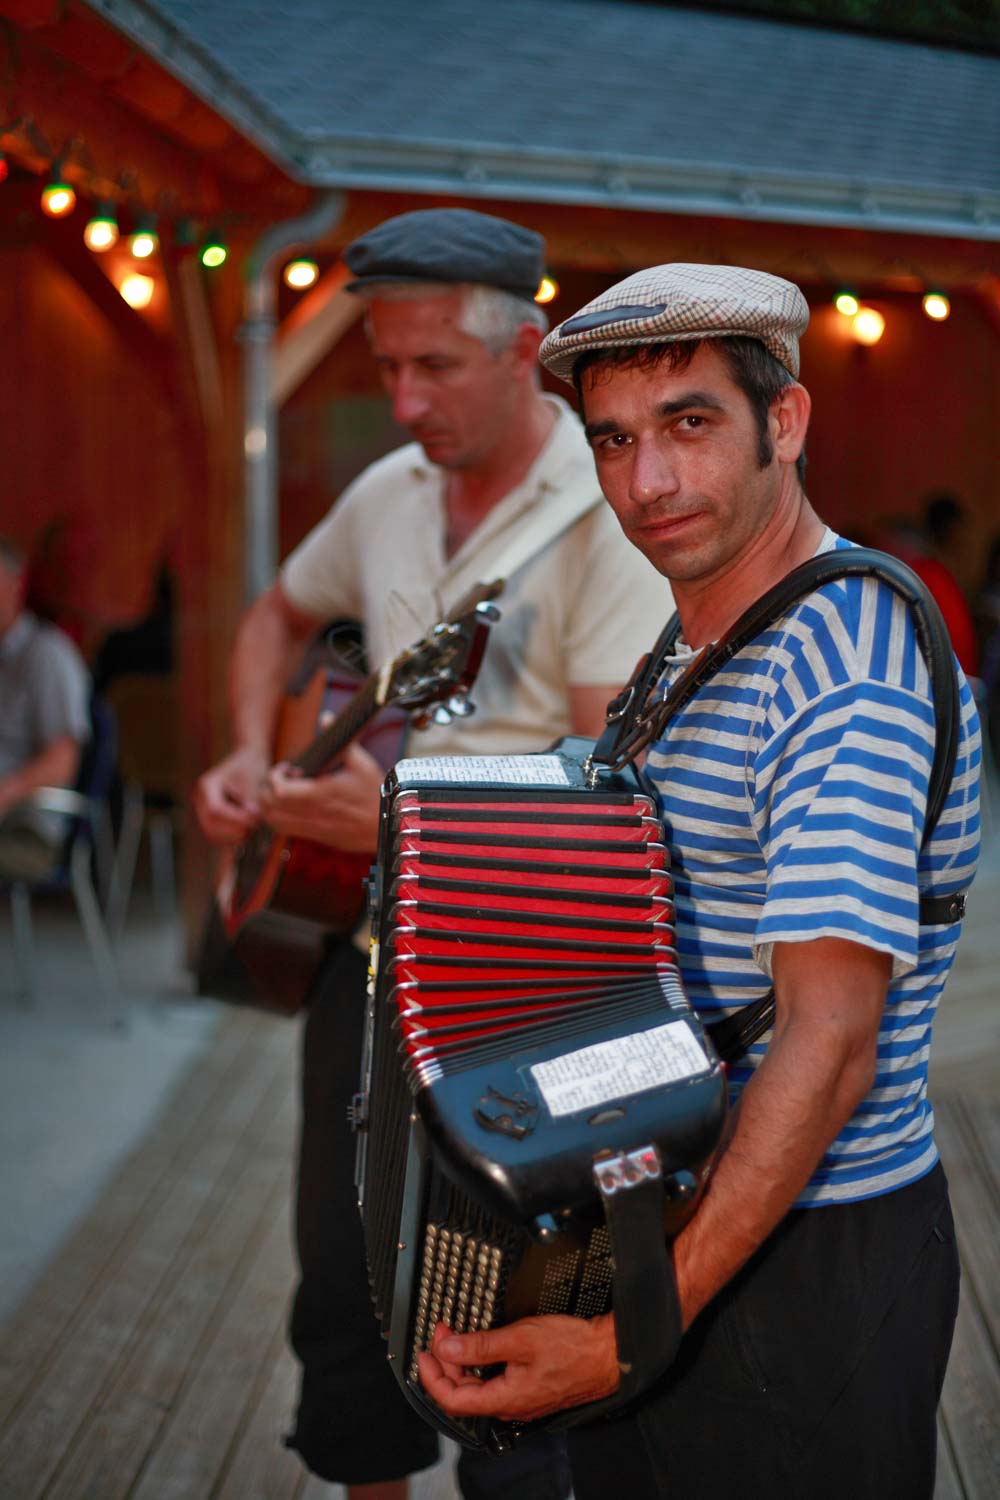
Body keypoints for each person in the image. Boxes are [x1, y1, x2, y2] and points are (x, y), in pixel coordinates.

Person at [419, 264, 981, 1500]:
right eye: (614, 441)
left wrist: (631, 1332)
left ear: (783, 422)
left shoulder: (842, 667)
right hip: (688, 1216)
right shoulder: (706, 638)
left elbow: (830, 1042)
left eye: (689, 424)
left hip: (802, 1249)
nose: (648, 483)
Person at [195, 209, 672, 1500]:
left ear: (526, 347)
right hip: (359, 960)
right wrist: (253, 756)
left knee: (496, 1307)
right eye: (386, 367)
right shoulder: (389, 492)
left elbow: (603, 808)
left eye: (434, 369)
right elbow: (273, 617)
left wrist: (397, 815)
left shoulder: (602, 513)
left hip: (509, 987)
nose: (402, 401)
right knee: (343, 1288)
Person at [0, 536, 91, 882]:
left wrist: (5, 793)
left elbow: (62, 761)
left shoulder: (47, 655)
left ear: (15, 584)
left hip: (26, 831)